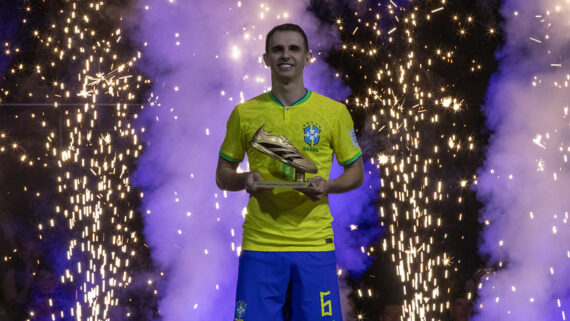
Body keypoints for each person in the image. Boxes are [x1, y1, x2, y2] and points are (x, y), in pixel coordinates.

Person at [216, 23, 364, 321]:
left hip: (314, 244)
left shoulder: (333, 112)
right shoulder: (244, 113)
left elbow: (355, 173)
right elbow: (222, 175)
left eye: (294, 48)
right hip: (261, 243)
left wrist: (329, 186)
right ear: (266, 58)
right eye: (278, 49)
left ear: (307, 57)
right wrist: (245, 179)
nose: (286, 55)